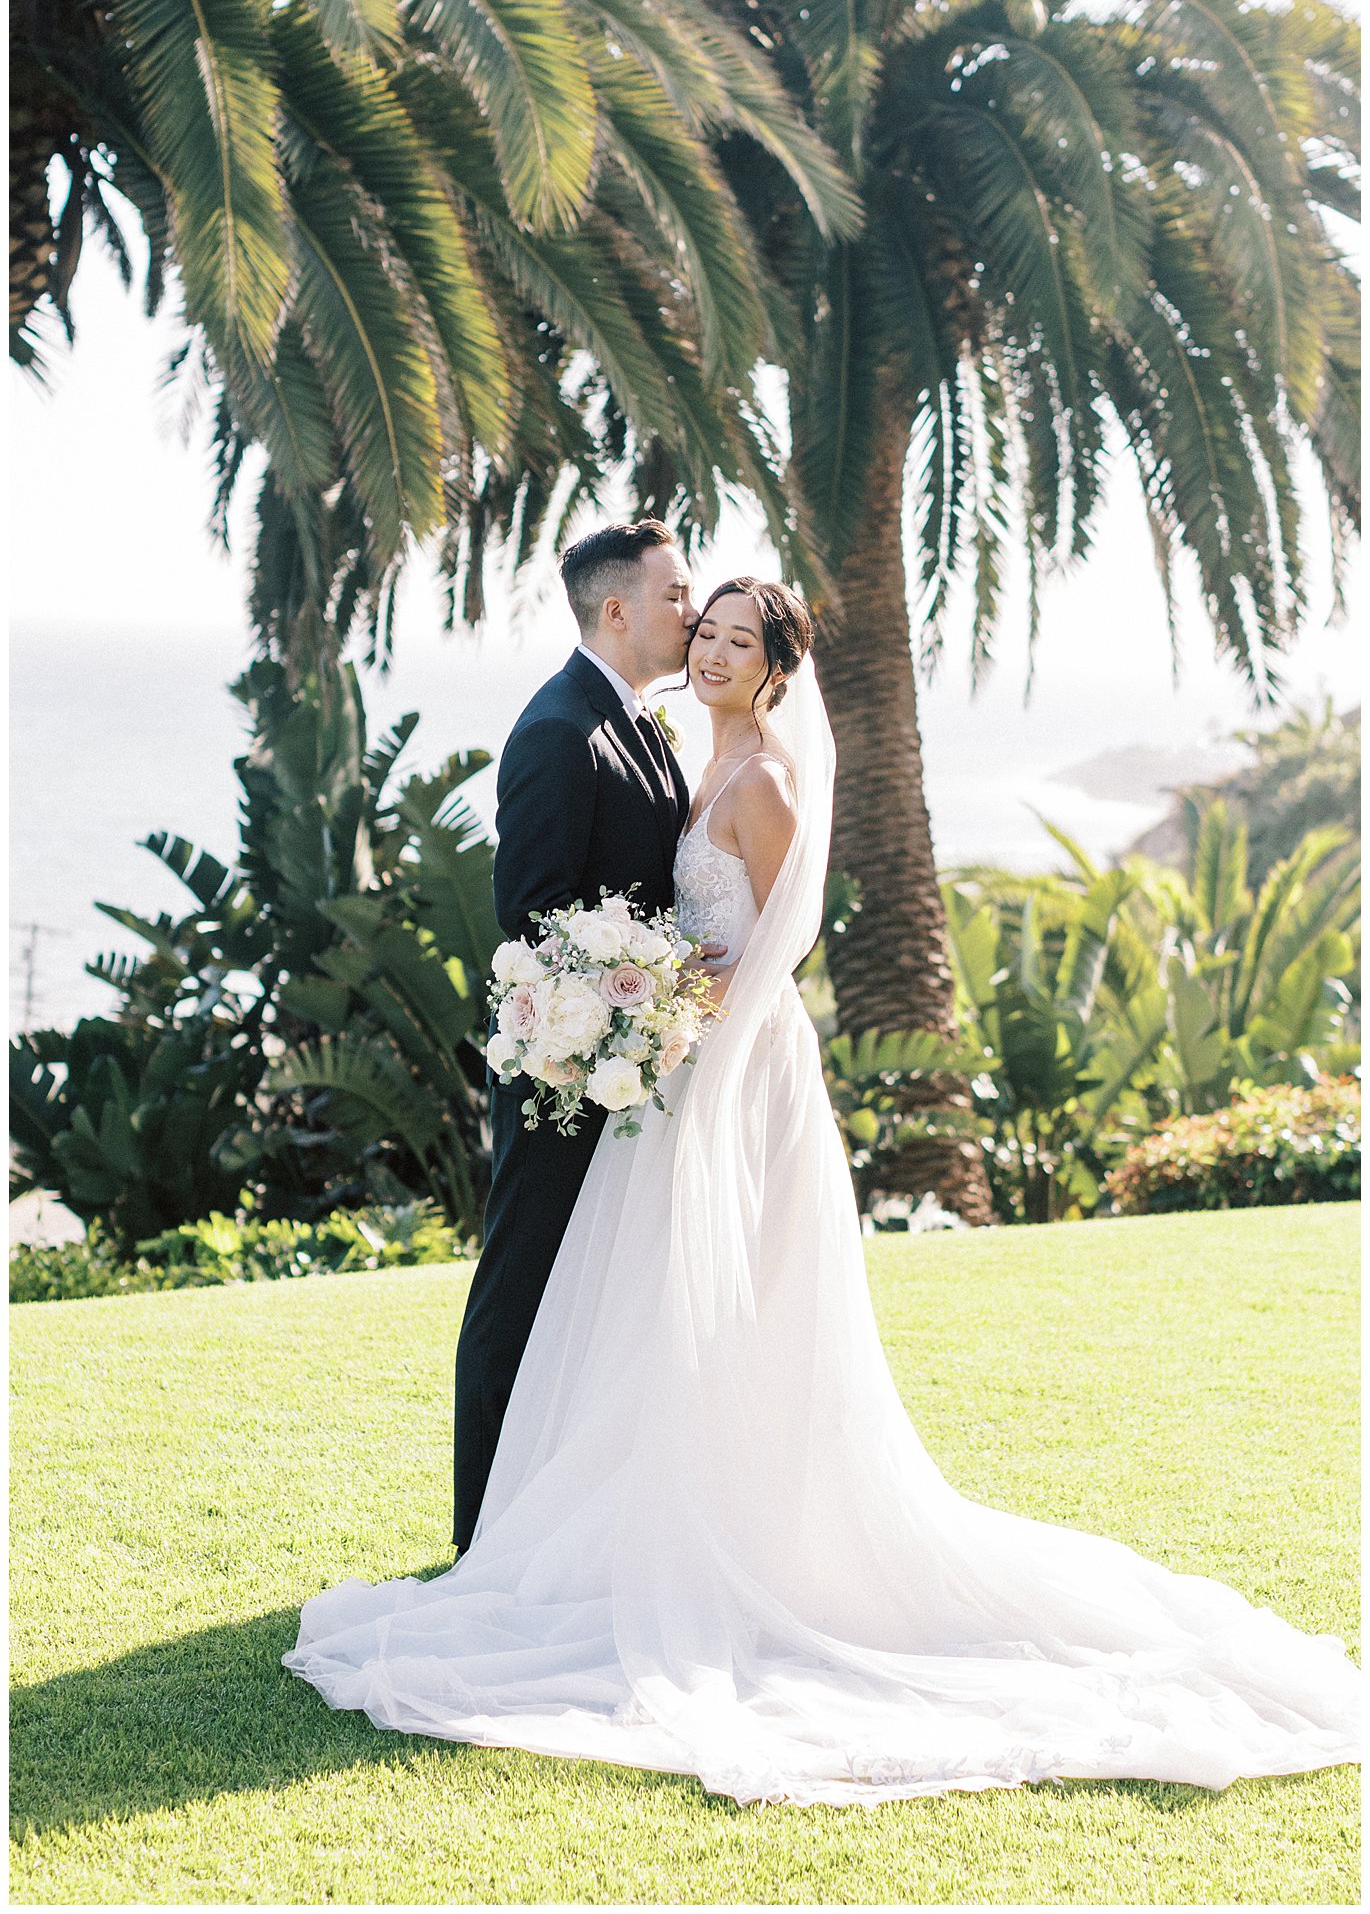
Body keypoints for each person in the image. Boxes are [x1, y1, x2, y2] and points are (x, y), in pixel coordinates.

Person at [285, 578, 1361, 1809]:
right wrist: (647, 1001)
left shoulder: (765, 783)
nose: (711, 653)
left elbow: (779, 937)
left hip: (738, 1066)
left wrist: (682, 1018)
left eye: (737, 642)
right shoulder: (695, 758)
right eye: (703, 634)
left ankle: (740, 1542)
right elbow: (679, 919)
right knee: (652, 1305)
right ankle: (615, 1522)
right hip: (680, 1058)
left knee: (735, 1302)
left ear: (777, 669)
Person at [451, 517, 706, 1556]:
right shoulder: (561, 728)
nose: (690, 614)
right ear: (617, 608)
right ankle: (481, 1531)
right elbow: (535, 910)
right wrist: (623, 1010)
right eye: (675, 595)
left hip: (625, 1067)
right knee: (521, 1286)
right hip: (566, 1065)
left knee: (596, 1300)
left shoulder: (639, 719)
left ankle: (562, 1519)